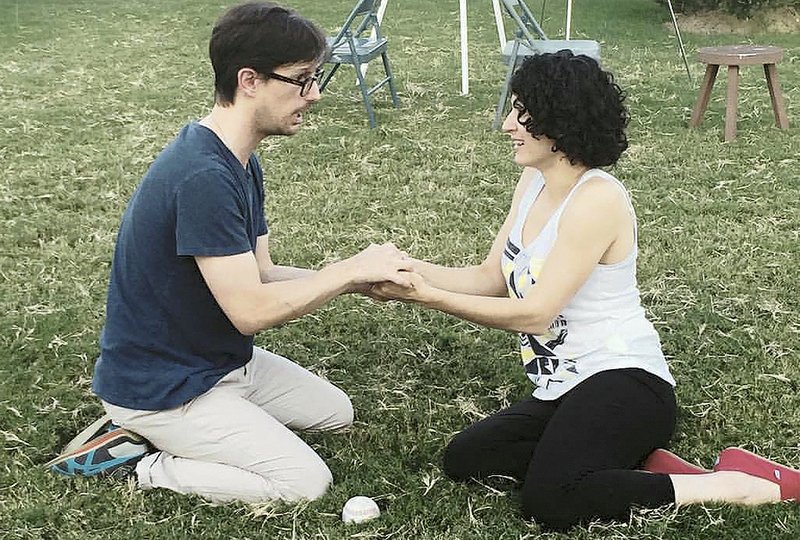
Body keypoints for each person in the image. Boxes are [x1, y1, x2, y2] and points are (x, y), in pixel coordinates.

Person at [373, 50, 800, 530]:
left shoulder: (596, 199)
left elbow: (535, 314)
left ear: (560, 122)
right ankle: (626, 465)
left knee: (551, 501)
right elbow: (491, 278)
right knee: (467, 458)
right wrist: (410, 270)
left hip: (626, 381)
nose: (508, 125)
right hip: (562, 387)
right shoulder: (533, 180)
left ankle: (727, 484)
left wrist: (431, 299)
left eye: (521, 113)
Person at [47, 1, 413, 504]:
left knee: (336, 412)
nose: (316, 94)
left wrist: (357, 280)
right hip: (165, 388)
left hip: (219, 364)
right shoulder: (203, 176)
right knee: (304, 484)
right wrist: (345, 270)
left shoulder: (239, 160)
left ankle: (205, 423)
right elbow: (250, 311)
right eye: (303, 79)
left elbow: (260, 273)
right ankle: (142, 461)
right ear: (250, 80)